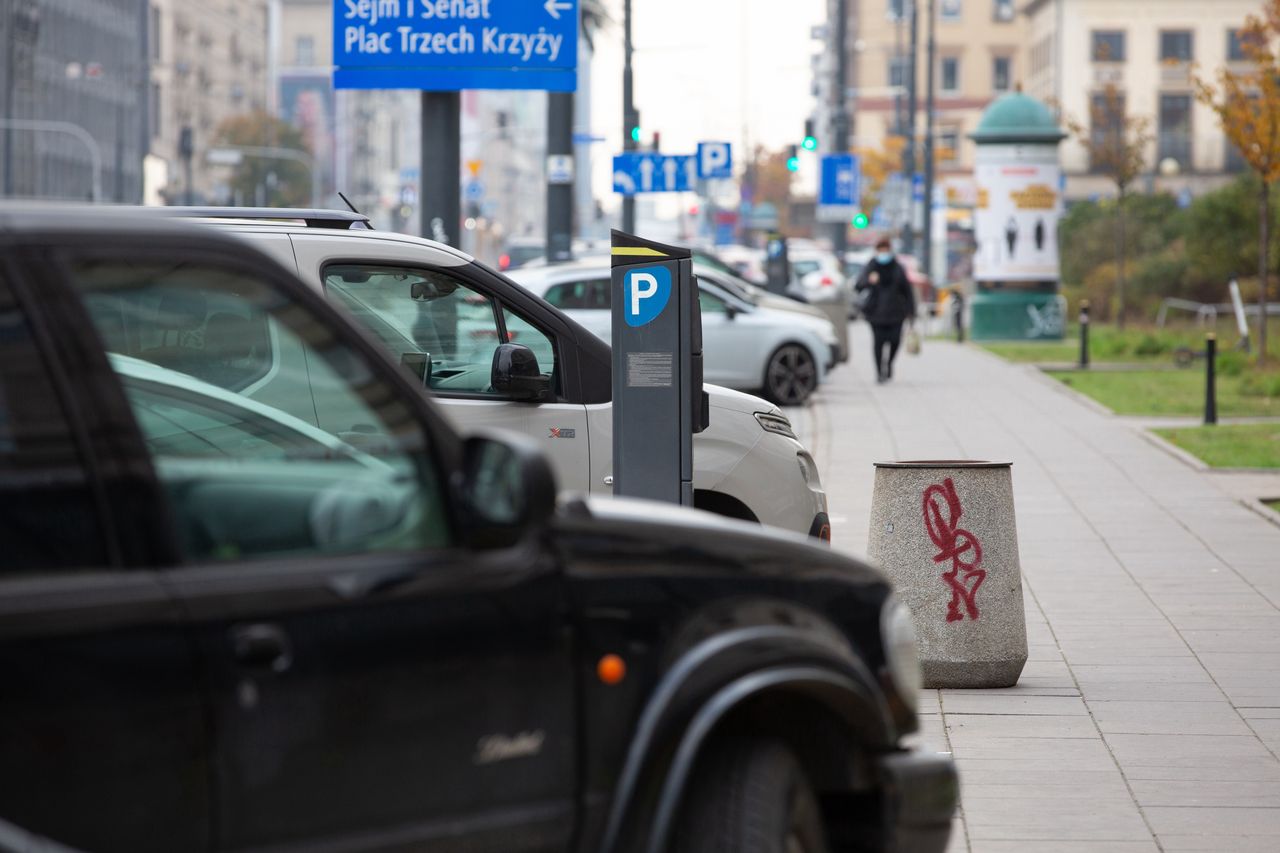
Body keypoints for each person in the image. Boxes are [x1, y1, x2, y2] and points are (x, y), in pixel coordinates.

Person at [855, 238, 917, 383]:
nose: (883, 253)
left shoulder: (898, 268)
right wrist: (869, 281)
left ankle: (888, 363)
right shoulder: (871, 267)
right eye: (880, 250)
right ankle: (879, 372)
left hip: (896, 312)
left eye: (885, 250)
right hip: (875, 312)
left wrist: (911, 311)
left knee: (895, 341)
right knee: (878, 343)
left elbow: (907, 291)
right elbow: (858, 285)